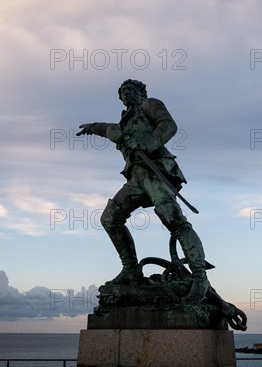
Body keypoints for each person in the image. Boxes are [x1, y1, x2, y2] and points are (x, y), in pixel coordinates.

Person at [76, 79, 209, 304]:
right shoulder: (124, 122)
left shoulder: (150, 105)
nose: (127, 93)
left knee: (173, 219)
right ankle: (131, 270)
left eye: (131, 89)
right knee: (110, 218)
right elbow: (109, 130)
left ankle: (200, 278)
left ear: (141, 92)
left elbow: (169, 126)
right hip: (136, 177)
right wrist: (92, 128)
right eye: (123, 91)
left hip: (154, 170)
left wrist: (148, 143)